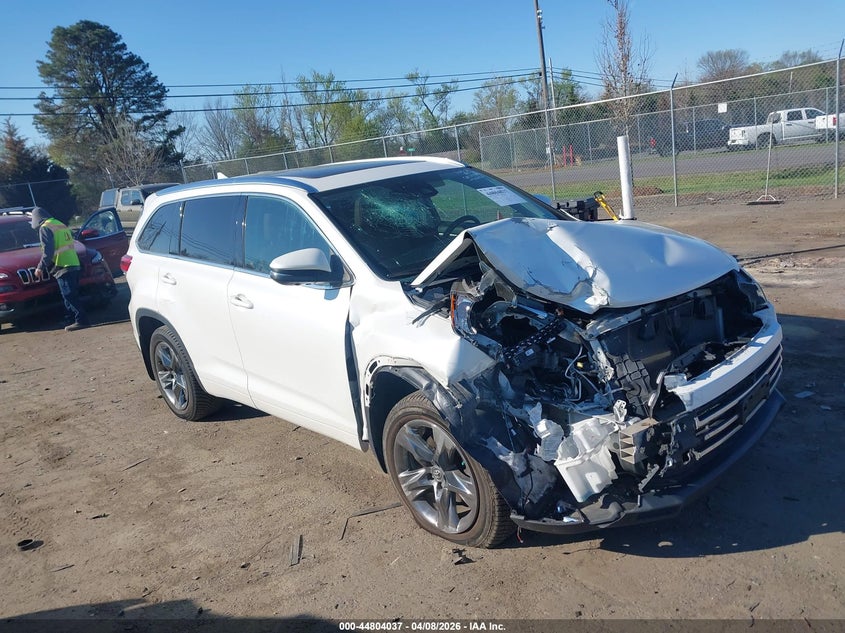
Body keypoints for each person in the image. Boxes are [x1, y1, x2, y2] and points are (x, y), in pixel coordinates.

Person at [31, 206, 89, 331]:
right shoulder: (59, 224)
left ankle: (81, 320)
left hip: (62, 265)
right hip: (73, 262)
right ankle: (70, 319)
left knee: (69, 295)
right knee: (68, 294)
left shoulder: (45, 228)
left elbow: (48, 251)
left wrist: (40, 267)